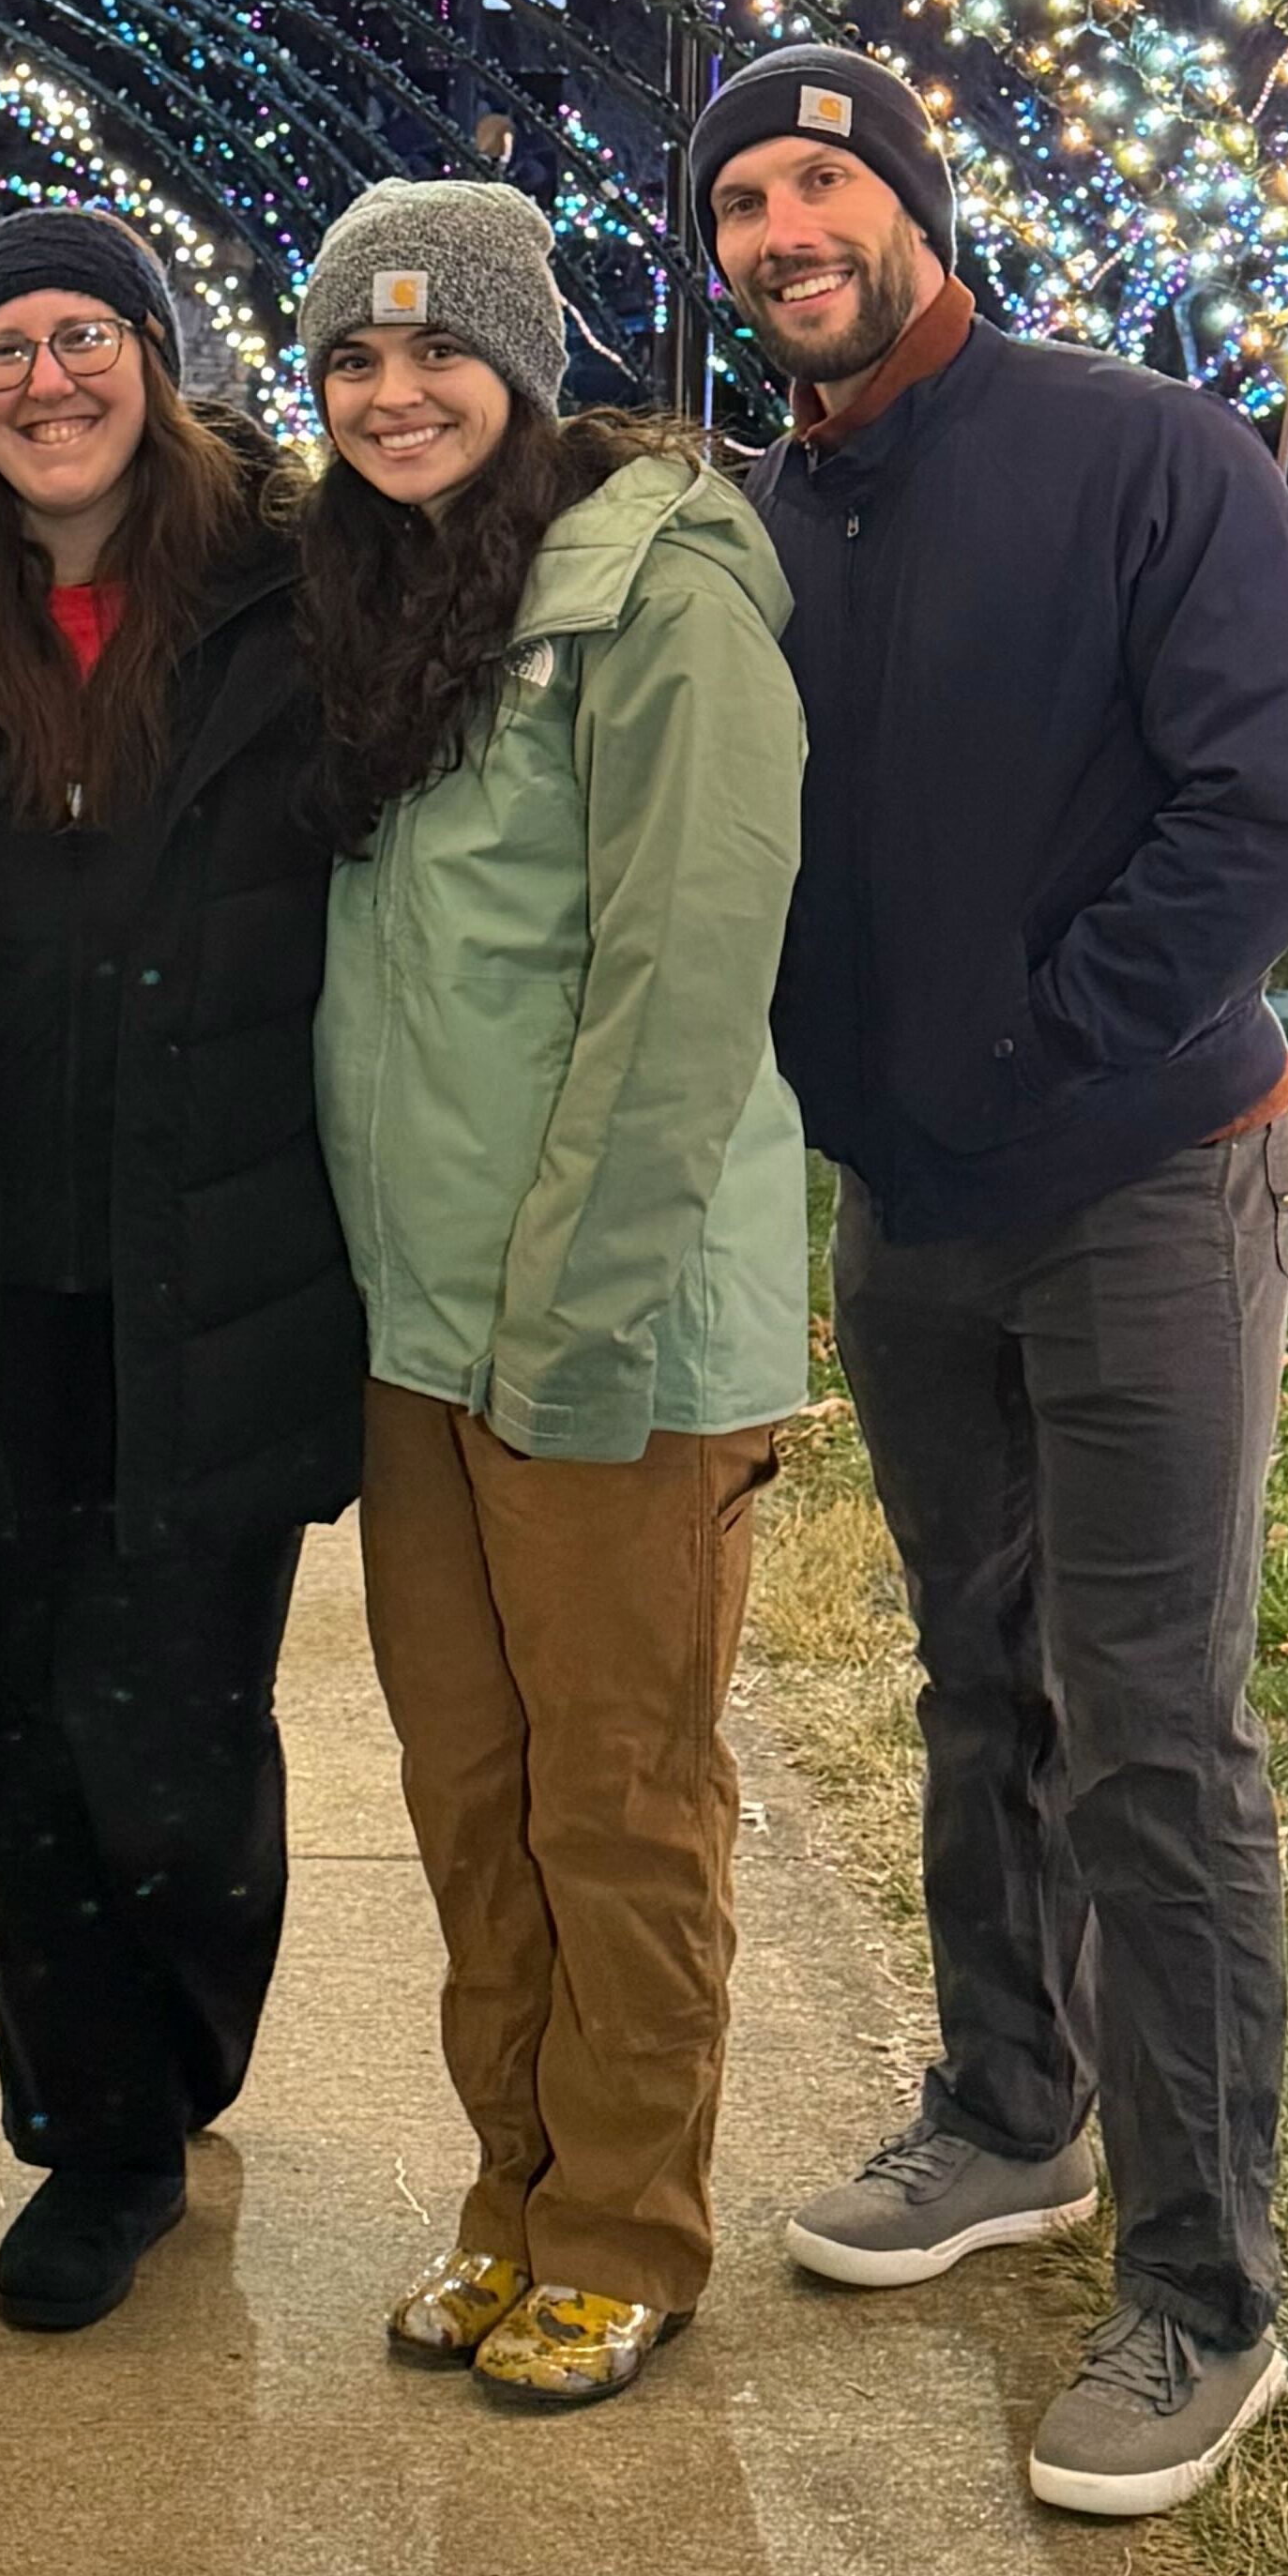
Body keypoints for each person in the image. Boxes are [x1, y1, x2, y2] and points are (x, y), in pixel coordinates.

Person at [696, 46, 1288, 2520]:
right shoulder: (761, 514)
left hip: (1138, 1177)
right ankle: (1007, 2113)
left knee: (1149, 1719)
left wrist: (1041, 1044)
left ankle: (1201, 2290)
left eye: (824, 179)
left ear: (909, 204)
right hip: (910, 1203)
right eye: (745, 194)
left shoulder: (1138, 461)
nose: (786, 223)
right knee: (969, 1671)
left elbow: (1268, 802)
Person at [0, 204, 364, 2337]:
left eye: (85, 335)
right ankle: (94, 2129)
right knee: (12, 1725)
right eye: (3, 351)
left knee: (181, 1730)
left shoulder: (288, 591)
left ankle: (185, 2041)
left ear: (155, 350)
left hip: (207, 1256)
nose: (48, 380)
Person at [295, 184, 810, 2412]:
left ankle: (626, 2224)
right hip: (421, 1324)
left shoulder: (659, 597)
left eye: (439, 357)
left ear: (523, 364)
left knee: (620, 1789)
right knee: (472, 1783)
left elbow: (680, 983)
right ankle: (512, 2190)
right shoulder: (385, 593)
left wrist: (574, 1324)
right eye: (349, 364)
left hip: (603, 1325)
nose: (394, 396)